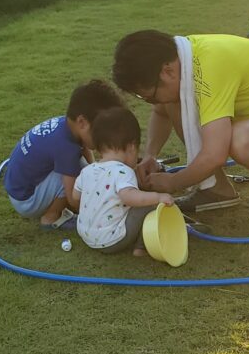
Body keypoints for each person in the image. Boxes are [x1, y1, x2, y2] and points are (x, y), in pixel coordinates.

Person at [111, 30, 249, 223]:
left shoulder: (210, 68)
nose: (151, 102)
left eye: (149, 96)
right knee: (174, 103)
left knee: (240, 140)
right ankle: (218, 189)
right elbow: (161, 111)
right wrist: (150, 155)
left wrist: (174, 182)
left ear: (167, 72)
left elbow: (215, 155)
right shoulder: (184, 58)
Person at [4, 80, 123, 230]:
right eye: (102, 131)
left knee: (82, 172)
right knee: (73, 179)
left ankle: (54, 204)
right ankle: (50, 218)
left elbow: (85, 149)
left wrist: (94, 170)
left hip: (20, 187)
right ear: (82, 122)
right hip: (26, 200)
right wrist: (92, 213)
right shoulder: (66, 149)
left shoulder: (67, 126)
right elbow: (72, 197)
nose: (104, 137)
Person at [71, 107, 174, 257]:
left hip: (86, 236)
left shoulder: (87, 170)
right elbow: (129, 198)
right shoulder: (123, 171)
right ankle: (141, 247)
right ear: (131, 147)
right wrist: (158, 197)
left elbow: (75, 196)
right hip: (112, 241)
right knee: (149, 204)